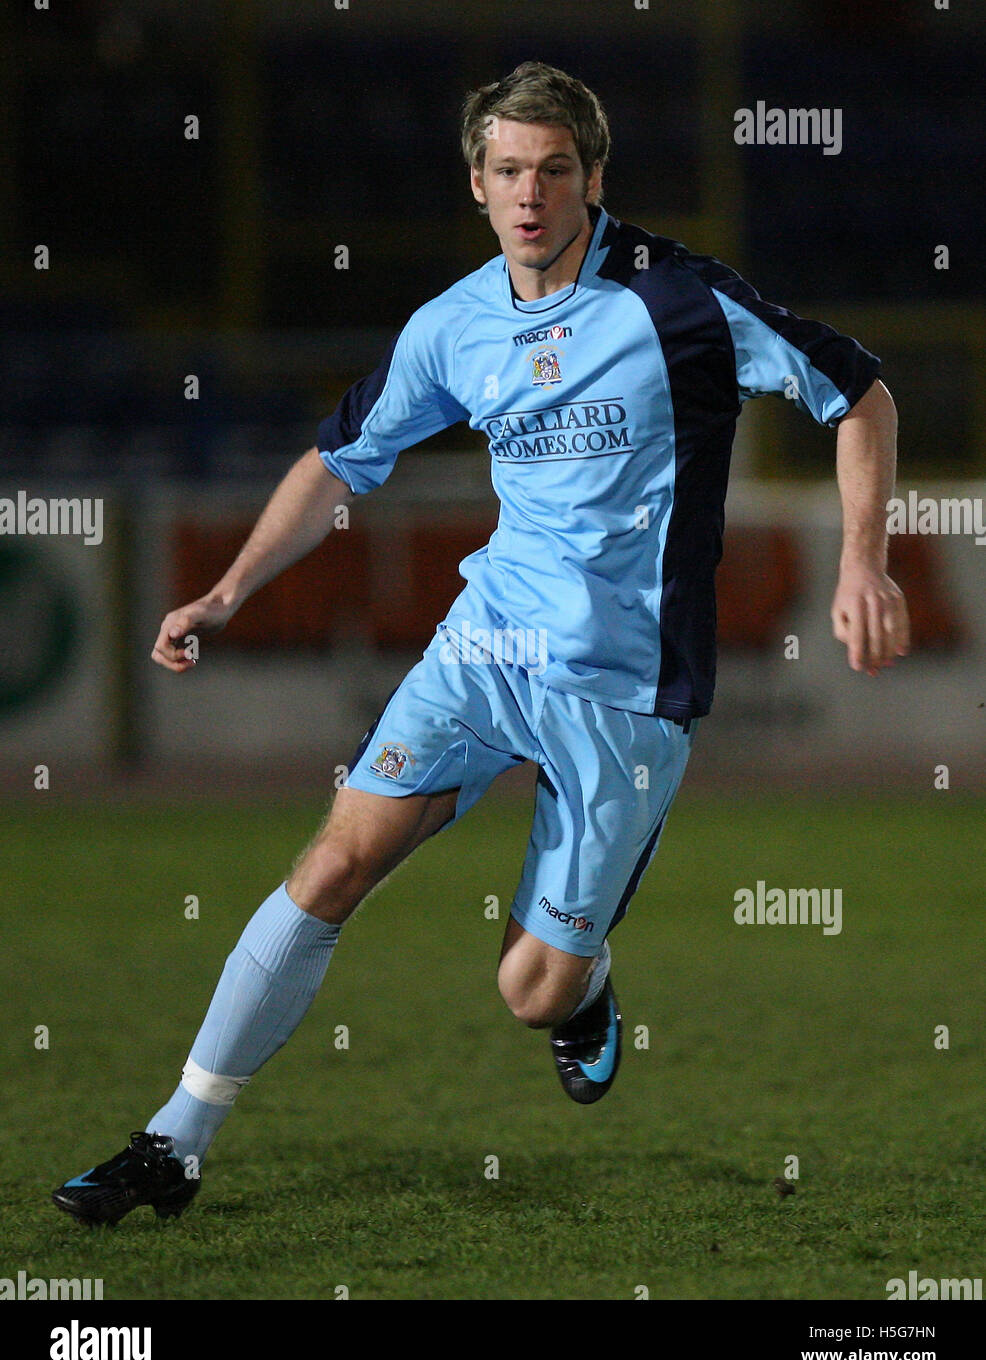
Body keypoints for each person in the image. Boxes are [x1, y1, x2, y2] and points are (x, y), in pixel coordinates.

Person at [53, 61, 908, 1226]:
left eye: (555, 170)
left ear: (592, 179)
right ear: (476, 182)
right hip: (484, 647)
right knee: (332, 863)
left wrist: (862, 560)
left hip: (627, 684)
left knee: (527, 987)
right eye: (508, 170)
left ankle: (585, 984)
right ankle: (176, 1140)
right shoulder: (449, 327)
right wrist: (226, 590)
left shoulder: (679, 302)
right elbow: (337, 460)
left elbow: (856, 392)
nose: (530, 194)